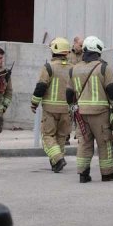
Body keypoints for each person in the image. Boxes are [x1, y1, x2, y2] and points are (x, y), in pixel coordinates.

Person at [66, 36, 113, 183]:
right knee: (105, 143)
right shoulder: (103, 68)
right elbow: (112, 91)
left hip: (81, 113)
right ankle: (107, 173)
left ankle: (83, 174)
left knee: (84, 143)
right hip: (100, 113)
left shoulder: (74, 69)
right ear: (98, 50)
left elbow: (69, 94)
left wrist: (72, 108)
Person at [30, 37, 72, 173]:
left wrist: (34, 103)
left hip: (50, 108)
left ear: (53, 50)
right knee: (61, 136)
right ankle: (56, 163)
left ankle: (58, 159)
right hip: (67, 109)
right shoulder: (73, 68)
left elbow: (41, 87)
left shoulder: (48, 67)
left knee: (48, 136)